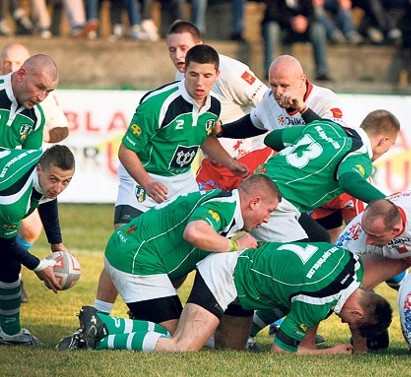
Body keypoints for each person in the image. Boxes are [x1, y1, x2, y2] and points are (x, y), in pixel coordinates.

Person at [92, 44, 249, 316]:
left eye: (207, 76)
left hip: (181, 181)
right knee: (124, 242)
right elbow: (126, 150)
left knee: (182, 249)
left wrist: (230, 162)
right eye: (194, 75)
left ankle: (150, 307)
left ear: (217, 75)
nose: (200, 83)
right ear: (184, 72)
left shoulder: (214, 105)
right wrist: (147, 183)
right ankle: (99, 313)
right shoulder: (158, 104)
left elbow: (205, 137)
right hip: (143, 178)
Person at [57, 174, 280, 349]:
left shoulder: (227, 206)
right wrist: (234, 246)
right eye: (269, 211)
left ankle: (129, 320)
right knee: (175, 338)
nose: (268, 219)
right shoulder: (225, 207)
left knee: (182, 332)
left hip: (134, 251)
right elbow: (194, 233)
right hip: (135, 258)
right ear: (254, 202)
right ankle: (103, 327)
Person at [59, 241, 393, 354]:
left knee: (224, 349)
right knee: (183, 347)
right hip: (224, 276)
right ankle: (104, 332)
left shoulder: (349, 262)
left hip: (243, 290)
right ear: (359, 315)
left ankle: (112, 325)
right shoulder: (321, 300)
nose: (343, 322)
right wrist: (331, 352)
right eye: (350, 323)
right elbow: (281, 353)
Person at [248, 109, 399, 243]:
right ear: (383, 141)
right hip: (274, 204)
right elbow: (349, 181)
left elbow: (272, 138)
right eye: (389, 146)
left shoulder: (326, 126)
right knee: (304, 263)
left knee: (319, 239)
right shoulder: (360, 155)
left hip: (253, 184)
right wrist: (391, 204)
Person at [209, 54, 346, 192]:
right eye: (273, 85)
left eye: (284, 85)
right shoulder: (270, 98)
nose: (278, 92)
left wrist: (302, 109)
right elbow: (253, 123)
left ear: (302, 80)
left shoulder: (325, 100)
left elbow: (334, 140)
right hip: (295, 177)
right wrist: (222, 130)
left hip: (328, 179)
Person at [1, 43, 70, 303]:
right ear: (21, 75)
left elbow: (37, 177)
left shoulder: (36, 117)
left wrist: (56, 243)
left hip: (3, 200)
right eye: (39, 88)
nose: (42, 97)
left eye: (48, 91)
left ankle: (9, 331)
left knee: (9, 261)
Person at [164, 20, 269, 191]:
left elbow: (270, 105)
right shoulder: (180, 77)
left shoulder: (231, 72)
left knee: (256, 215)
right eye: (172, 49)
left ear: (200, 45)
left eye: (184, 48)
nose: (178, 56)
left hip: (252, 158)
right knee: (194, 212)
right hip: (215, 166)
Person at [0, 146, 75, 345]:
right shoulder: (11, 200)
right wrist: (39, 266)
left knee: (8, 266)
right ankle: (9, 332)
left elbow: (47, 197)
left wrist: (56, 243)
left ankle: (9, 332)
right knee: (8, 261)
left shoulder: (44, 162)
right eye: (54, 180)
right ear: (39, 169)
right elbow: (6, 244)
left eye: (66, 182)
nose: (59, 188)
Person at [261, 0, 332, 81]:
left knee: (318, 29)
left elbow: (312, 15)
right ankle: (269, 71)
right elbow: (271, 14)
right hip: (282, 30)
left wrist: (305, 22)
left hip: (301, 31)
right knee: (271, 28)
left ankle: (321, 71)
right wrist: (292, 21)